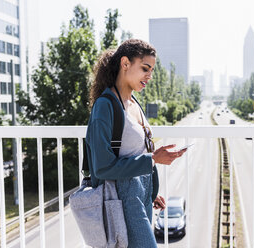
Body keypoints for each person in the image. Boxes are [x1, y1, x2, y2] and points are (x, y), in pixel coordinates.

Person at [85, 39, 186, 247]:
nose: (149, 76)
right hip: (123, 198)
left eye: (151, 70)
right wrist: (153, 159)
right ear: (125, 63)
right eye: (145, 68)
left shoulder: (133, 103)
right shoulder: (105, 106)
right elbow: (102, 167)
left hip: (140, 196)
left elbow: (136, 151)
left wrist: (151, 191)